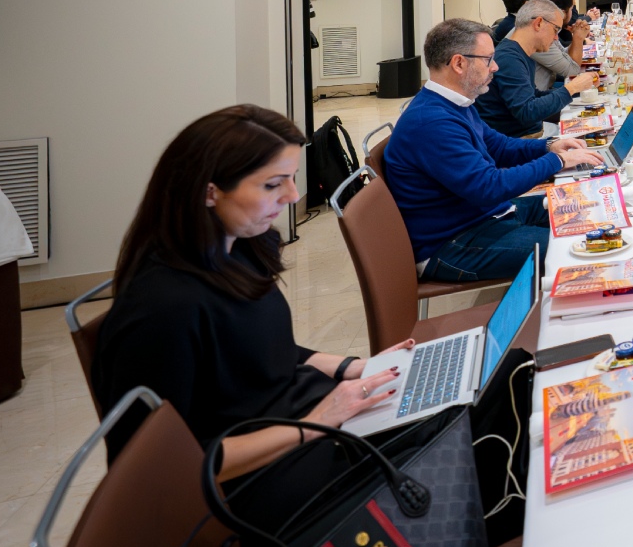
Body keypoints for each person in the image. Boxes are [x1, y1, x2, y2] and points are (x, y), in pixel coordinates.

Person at [91, 105, 404, 474]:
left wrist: (356, 368)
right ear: (209, 192)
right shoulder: (163, 308)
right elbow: (160, 467)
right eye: (272, 184)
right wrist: (320, 420)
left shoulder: (241, 248)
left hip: (307, 423)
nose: (292, 195)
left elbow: (267, 354)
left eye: (292, 179)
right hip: (270, 472)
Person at [388, 19, 603, 283]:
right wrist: (557, 161)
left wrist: (548, 145)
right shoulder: (432, 122)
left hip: (486, 214)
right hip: (455, 242)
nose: (495, 67)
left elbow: (499, 146)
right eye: (488, 59)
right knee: (584, 245)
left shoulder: (456, 102)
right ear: (459, 63)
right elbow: (488, 186)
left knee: (594, 206)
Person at [479, 0, 594, 136]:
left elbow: (533, 95)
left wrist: (578, 89)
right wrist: (571, 88)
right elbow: (527, 112)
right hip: (520, 139)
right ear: (538, 23)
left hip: (528, 131)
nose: (556, 38)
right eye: (555, 30)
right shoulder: (509, 59)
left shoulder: (520, 52)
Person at [531, 0, 590, 89]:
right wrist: (578, 38)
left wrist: (576, 37)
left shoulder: (545, 25)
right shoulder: (539, 33)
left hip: (544, 91)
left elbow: (563, 55)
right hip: (537, 95)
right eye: (571, 9)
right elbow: (572, 72)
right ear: (561, 13)